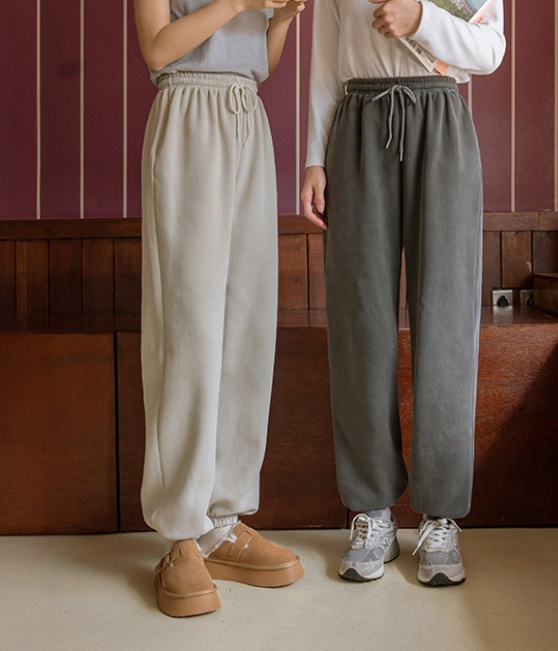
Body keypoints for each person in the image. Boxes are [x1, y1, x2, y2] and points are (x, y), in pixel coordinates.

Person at [301, 0, 506, 586]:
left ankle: (441, 515)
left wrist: (422, 19)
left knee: (446, 322)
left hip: (441, 119)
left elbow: (490, 50)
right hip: (357, 122)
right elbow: (325, 62)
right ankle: (372, 510)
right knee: (359, 321)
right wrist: (315, 158)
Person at [133, 0, 305, 617]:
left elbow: (259, 60)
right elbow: (157, 48)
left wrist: (283, 17)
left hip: (246, 113)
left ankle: (221, 523)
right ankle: (182, 531)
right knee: (189, 329)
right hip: (187, 112)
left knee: (246, 325)